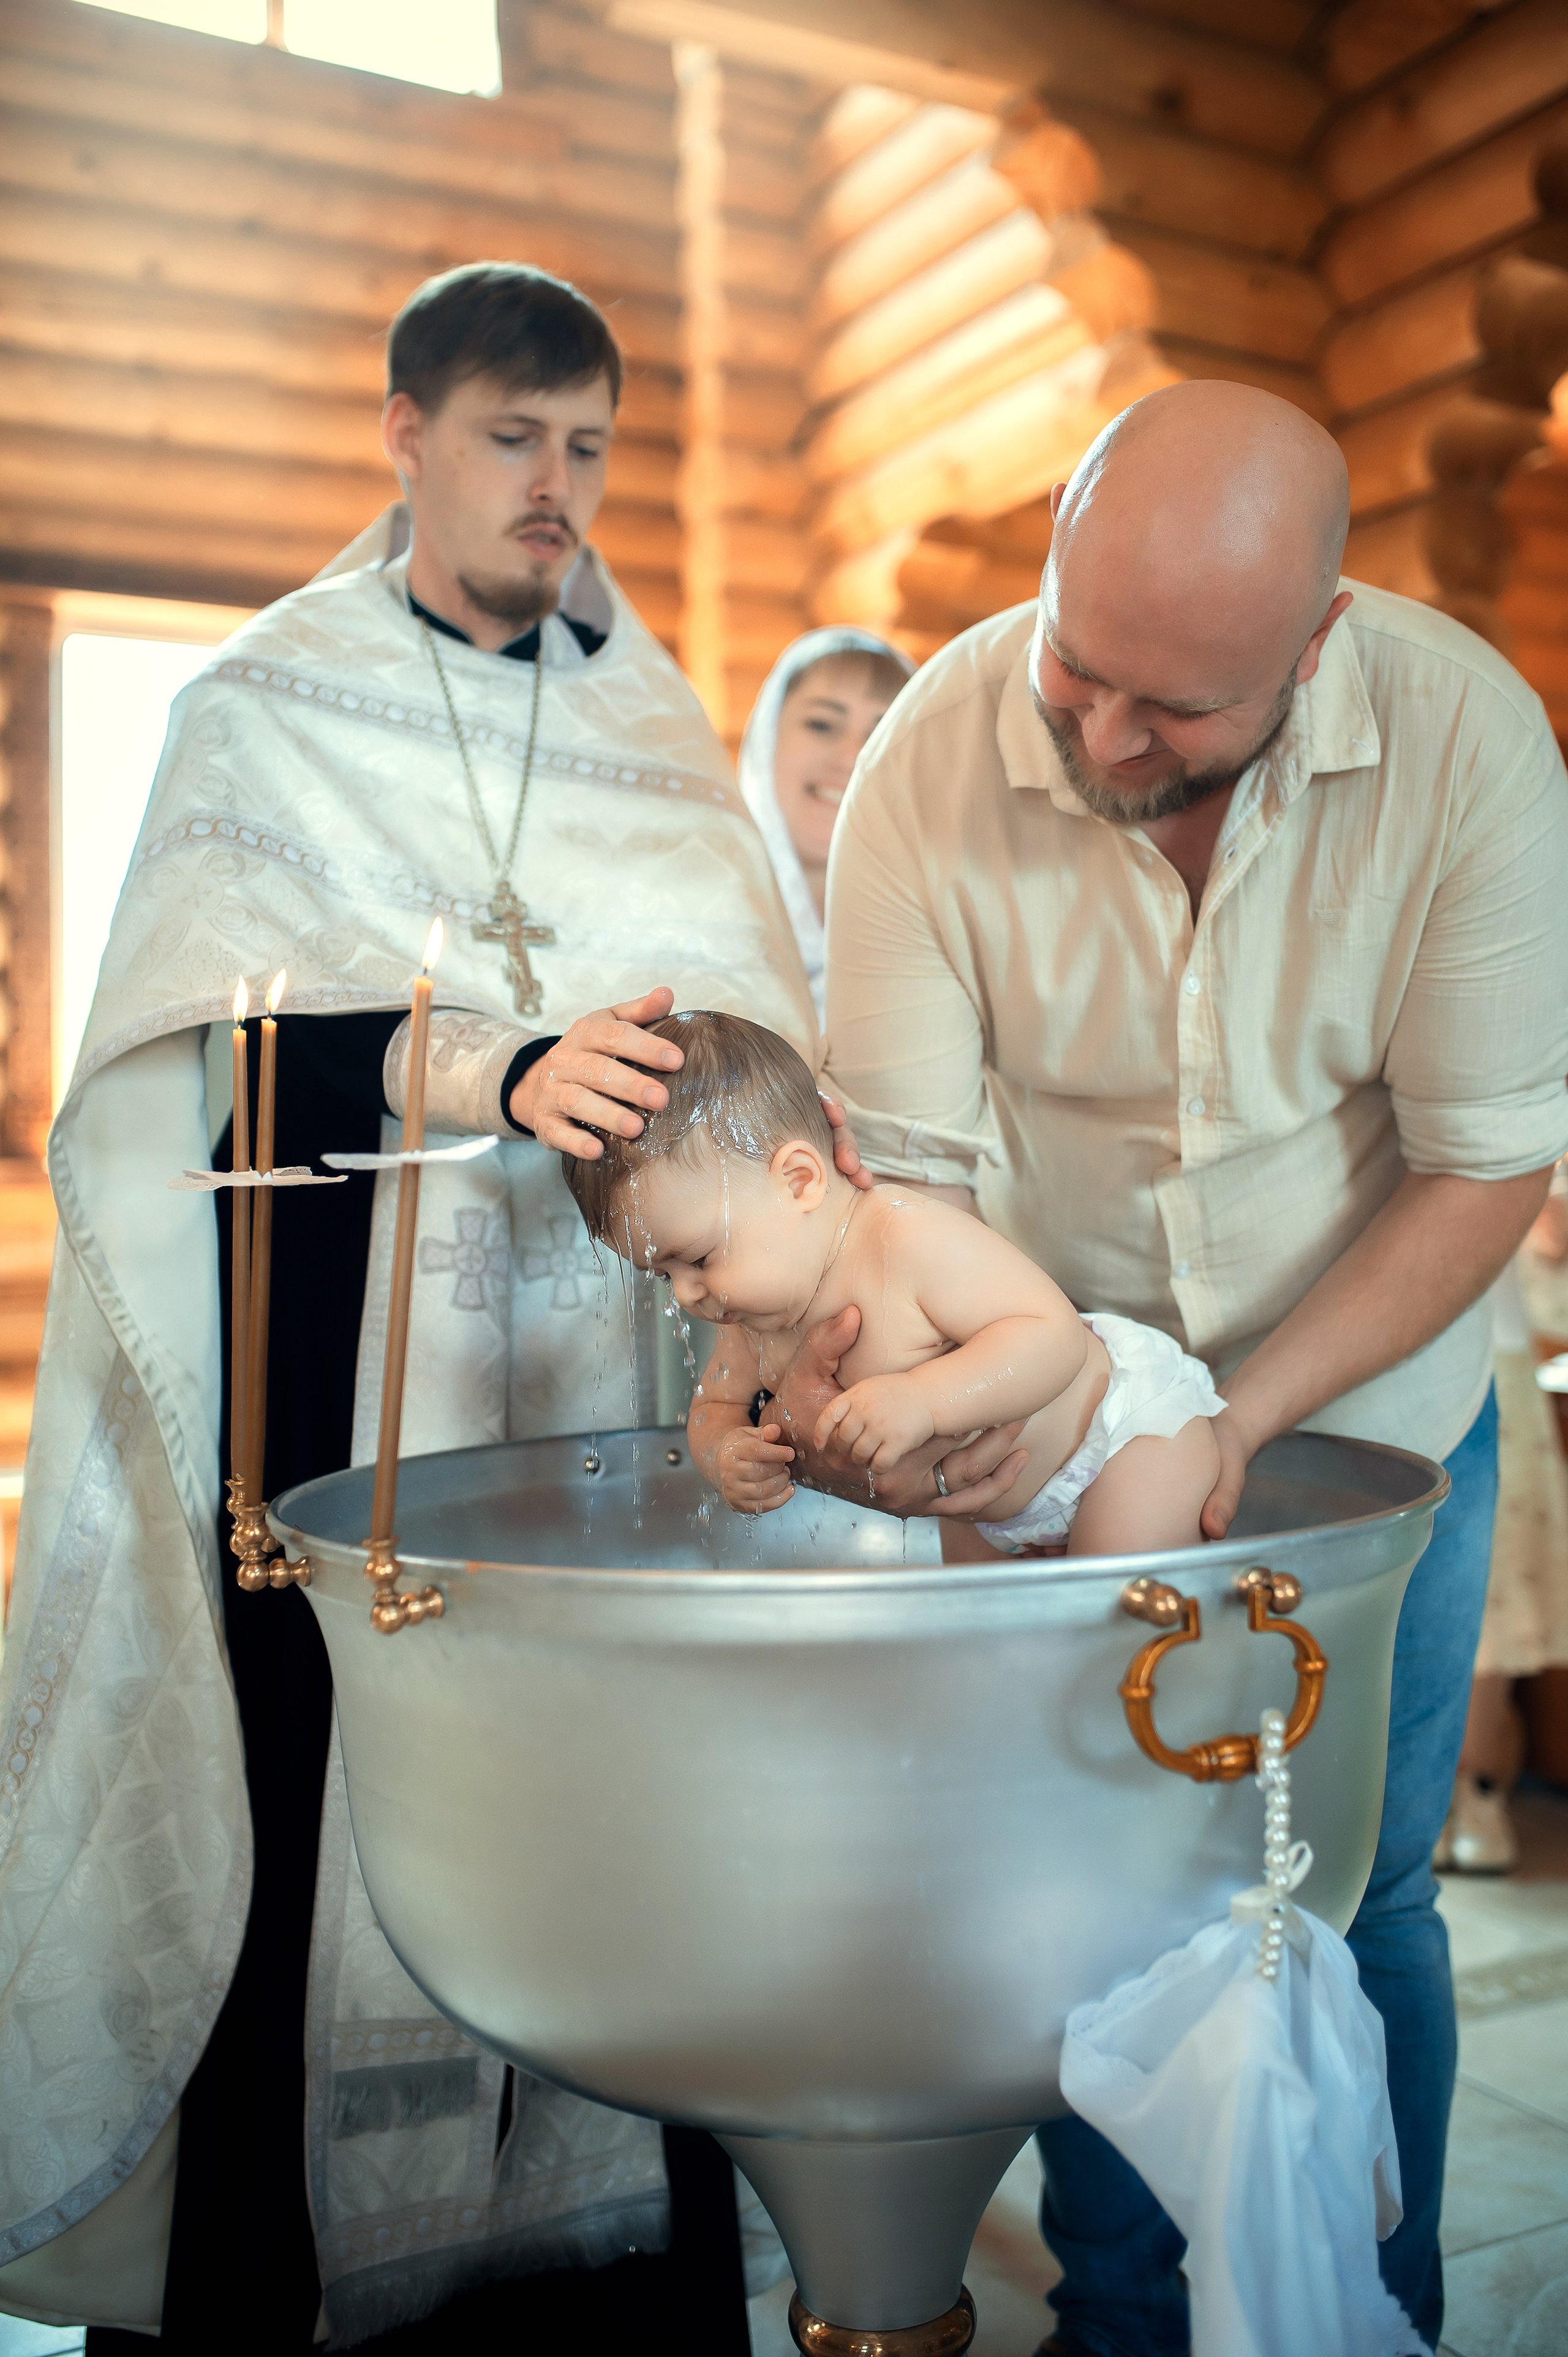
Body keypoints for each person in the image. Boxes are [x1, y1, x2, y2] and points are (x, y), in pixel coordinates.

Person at [0, 263, 845, 2353]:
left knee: (622, 1829)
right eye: (507, 437)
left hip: (619, 1389)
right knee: (322, 1831)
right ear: (404, 434)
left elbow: (753, 1033)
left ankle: (615, 2298)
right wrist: (483, 1059)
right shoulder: (261, 708)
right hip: (341, 1406)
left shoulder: (656, 734)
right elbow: (194, 1044)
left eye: (588, 446)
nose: (556, 487)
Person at [772, 380, 1568, 2354]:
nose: (1108, 734)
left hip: (1373, 1411)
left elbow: (1485, 1162)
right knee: (1108, 1900)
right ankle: (1130, 2328)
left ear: (1317, 639)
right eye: (1078, 666)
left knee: (1358, 1901)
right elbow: (916, 1177)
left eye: (1179, 707)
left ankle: (1359, 2318)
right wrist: (991, 1439)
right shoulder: (928, 767)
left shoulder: (1469, 738)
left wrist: (1248, 1410)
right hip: (1044, 1411)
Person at [567, 1010, 1224, 1553]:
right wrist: (726, 1454)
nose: (686, 1294)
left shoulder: (905, 1235)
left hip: (1121, 1441)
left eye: (699, 1258)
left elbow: (1052, 1338)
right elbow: (715, 1408)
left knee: (1117, 1630)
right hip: (986, 1503)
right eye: (663, 1275)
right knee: (986, 1662)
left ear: (799, 1179)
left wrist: (924, 1401)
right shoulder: (749, 1315)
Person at [738, 629, 914, 1015]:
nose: (853, 758)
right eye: (822, 725)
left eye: (881, 737)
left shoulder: (928, 926)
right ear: (767, 739)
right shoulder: (689, 898)